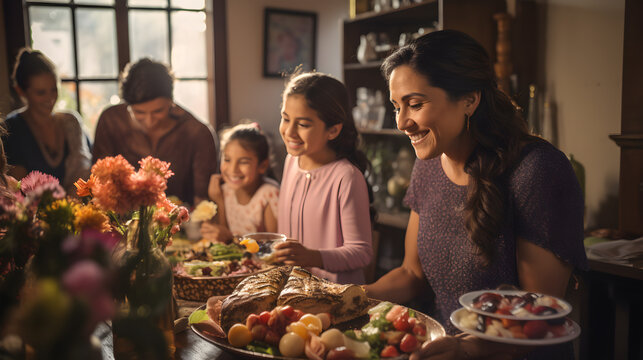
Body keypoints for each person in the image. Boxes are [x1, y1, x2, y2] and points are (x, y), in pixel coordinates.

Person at [363, 30, 588, 360]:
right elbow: (412, 275)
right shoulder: (427, 164)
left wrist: (466, 347)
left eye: (414, 104)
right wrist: (349, 296)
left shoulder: (537, 169)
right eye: (396, 106)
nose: (401, 122)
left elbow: (538, 314)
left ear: (469, 99)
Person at [273, 72, 373, 285]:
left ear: (333, 129)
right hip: (295, 292)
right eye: (285, 118)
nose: (289, 131)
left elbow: (362, 253)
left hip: (336, 299)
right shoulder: (291, 161)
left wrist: (313, 257)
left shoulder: (346, 177)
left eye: (303, 124)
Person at [92, 58, 217, 206]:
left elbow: (203, 200)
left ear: (171, 101)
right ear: (127, 105)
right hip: (121, 219)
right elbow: (99, 184)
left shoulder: (197, 133)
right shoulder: (111, 121)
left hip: (180, 220)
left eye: (158, 111)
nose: (149, 121)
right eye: (139, 113)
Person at [1, 48, 91, 194]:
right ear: (20, 91)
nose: (50, 98)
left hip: (76, 211)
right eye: (41, 92)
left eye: (54, 90)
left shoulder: (71, 124)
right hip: (34, 213)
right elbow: (18, 189)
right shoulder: (12, 128)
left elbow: (88, 172)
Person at [200, 123, 279, 243]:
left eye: (243, 162)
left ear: (262, 166)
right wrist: (218, 201)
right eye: (227, 160)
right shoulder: (225, 191)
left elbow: (273, 247)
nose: (233, 170)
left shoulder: (269, 195)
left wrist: (231, 239)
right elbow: (225, 243)